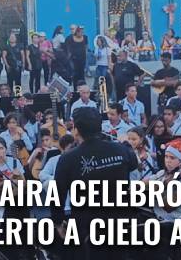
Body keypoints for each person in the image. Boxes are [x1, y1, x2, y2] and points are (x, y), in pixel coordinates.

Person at [53, 107, 137, 259]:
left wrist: (58, 223)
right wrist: (125, 145)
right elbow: (133, 164)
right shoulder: (121, 150)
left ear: (76, 130)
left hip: (86, 227)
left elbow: (57, 194)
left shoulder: (68, 158)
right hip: (119, 223)